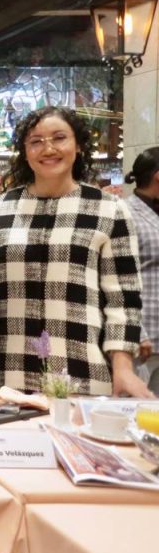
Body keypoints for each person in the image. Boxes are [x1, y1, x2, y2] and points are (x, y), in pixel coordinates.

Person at [0, 106, 153, 398]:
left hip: (82, 369)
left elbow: (123, 299)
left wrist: (123, 367)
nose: (48, 149)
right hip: (4, 368)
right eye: (36, 141)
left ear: (79, 145)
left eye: (59, 138)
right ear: (25, 152)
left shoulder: (108, 209)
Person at [125, 147, 159, 393]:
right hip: (144, 338)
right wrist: (137, 331)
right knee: (138, 406)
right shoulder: (126, 213)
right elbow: (121, 278)